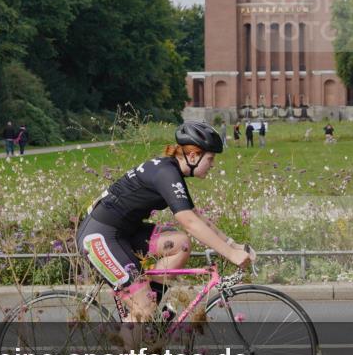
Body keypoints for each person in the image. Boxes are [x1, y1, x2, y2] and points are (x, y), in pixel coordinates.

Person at [76, 122, 255, 334]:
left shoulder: (171, 171)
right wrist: (230, 255)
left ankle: (150, 310)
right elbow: (189, 222)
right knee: (143, 308)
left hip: (125, 233)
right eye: (210, 158)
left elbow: (196, 217)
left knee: (181, 244)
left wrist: (232, 244)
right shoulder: (165, 173)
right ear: (194, 156)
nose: (213, 164)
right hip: (99, 236)